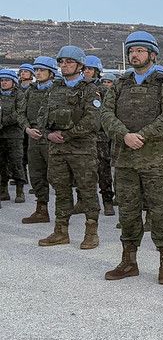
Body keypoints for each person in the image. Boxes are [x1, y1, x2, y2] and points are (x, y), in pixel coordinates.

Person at [100, 31, 163, 285]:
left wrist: (141, 136)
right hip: (126, 161)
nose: (134, 55)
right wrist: (124, 135)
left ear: (152, 55)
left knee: (161, 212)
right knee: (128, 213)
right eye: (131, 51)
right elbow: (105, 115)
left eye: (140, 51)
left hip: (157, 162)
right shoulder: (121, 83)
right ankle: (129, 262)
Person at [36, 46, 101, 249]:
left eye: (69, 62)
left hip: (82, 150)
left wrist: (67, 135)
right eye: (61, 62)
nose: (64, 65)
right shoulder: (54, 88)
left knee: (87, 190)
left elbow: (93, 120)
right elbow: (41, 116)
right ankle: (61, 231)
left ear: (80, 65)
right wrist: (48, 134)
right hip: (57, 150)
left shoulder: (89, 89)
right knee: (61, 190)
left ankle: (91, 232)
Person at [18, 57, 58, 224]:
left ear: (51, 73)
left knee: (58, 177)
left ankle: (63, 213)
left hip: (52, 139)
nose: (38, 73)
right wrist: (27, 129)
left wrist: (49, 132)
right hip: (33, 138)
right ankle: (41, 210)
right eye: (36, 70)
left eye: (42, 70)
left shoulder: (58, 90)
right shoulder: (30, 91)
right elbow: (20, 113)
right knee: (36, 175)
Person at [83, 55, 115, 216]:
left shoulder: (104, 90)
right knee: (84, 171)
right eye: (84, 69)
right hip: (82, 136)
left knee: (103, 170)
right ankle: (83, 201)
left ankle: (107, 201)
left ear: (97, 71)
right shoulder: (79, 89)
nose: (86, 71)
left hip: (100, 136)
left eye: (90, 69)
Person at [0, 68, 26, 203]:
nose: (3, 83)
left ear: (13, 82)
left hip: (14, 135)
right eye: (1, 80)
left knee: (16, 162)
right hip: (1, 135)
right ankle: (3, 191)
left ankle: (20, 191)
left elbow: (19, 113)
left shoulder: (19, 94)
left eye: (6, 80)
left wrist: (2, 122)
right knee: (1, 164)